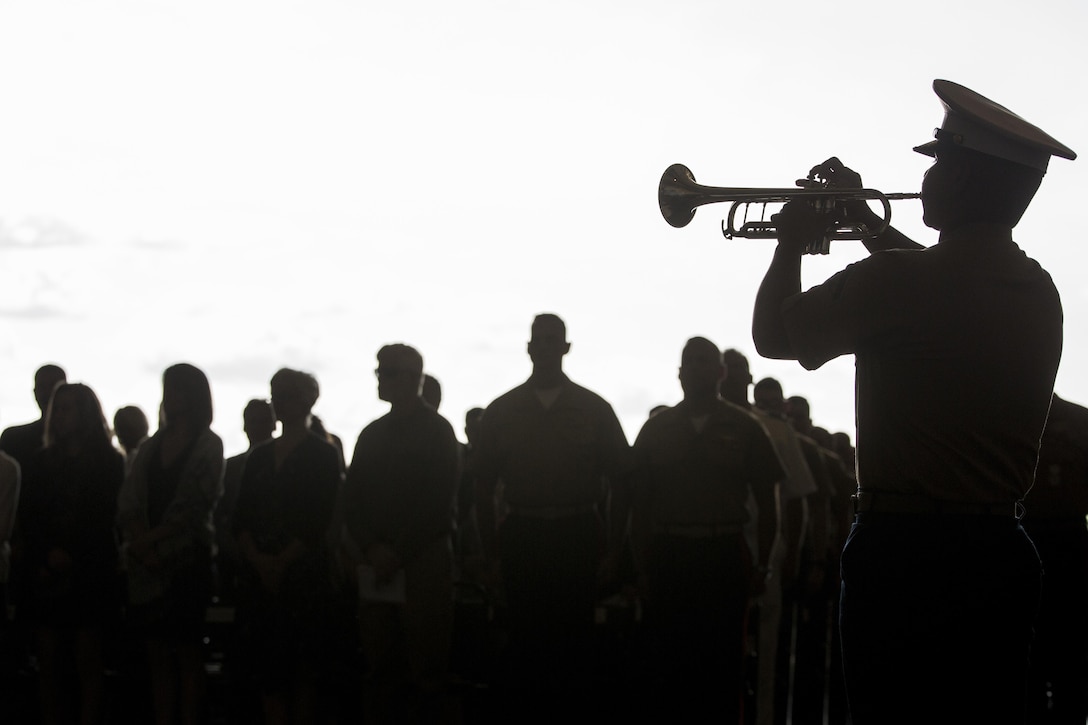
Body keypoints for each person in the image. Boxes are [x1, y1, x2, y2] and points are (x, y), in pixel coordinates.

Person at [751, 79, 1074, 725]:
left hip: (905, 555)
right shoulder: (1038, 289)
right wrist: (867, 222)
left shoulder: (903, 281)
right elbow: (942, 285)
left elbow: (772, 335)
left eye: (938, 163)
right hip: (1000, 553)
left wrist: (791, 235)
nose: (924, 178)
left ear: (967, 179)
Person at [474, 313, 630, 716]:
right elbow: (480, 489)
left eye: (551, 340)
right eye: (537, 340)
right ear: (528, 348)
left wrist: (613, 550)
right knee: (525, 642)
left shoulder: (594, 409)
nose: (543, 347)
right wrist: (491, 556)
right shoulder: (502, 410)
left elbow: (623, 484)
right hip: (523, 534)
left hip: (577, 534)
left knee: (574, 644)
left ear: (566, 347)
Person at [630, 337, 782, 724]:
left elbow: (769, 502)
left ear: (720, 373)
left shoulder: (746, 428)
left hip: (723, 556)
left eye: (705, 362)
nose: (696, 369)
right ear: (679, 373)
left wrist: (763, 565)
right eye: (689, 362)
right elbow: (637, 504)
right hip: (670, 555)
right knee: (666, 666)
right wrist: (641, 566)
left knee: (724, 668)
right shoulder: (656, 429)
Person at [343, 344, 460, 724]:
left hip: (420, 562)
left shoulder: (438, 432)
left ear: (413, 378)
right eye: (380, 371)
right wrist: (374, 548)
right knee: (380, 668)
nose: (380, 378)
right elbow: (353, 499)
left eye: (388, 372)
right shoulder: (371, 434)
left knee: (424, 670)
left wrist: (388, 552)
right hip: (386, 561)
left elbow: (438, 502)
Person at [117, 363, 224, 725]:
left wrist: (146, 543)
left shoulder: (209, 444)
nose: (170, 396)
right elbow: (129, 500)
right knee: (158, 657)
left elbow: (195, 506)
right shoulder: (150, 447)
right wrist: (143, 544)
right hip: (147, 564)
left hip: (185, 563)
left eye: (177, 388)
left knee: (188, 655)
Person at [233, 369, 342, 724]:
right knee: (269, 673)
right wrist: (262, 561)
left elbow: (319, 519)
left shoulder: (323, 455)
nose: (280, 401)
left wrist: (275, 562)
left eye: (288, 394)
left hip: (301, 577)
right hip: (268, 572)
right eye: (275, 394)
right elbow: (242, 517)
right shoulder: (260, 457)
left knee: (301, 670)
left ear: (309, 399)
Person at [19, 383, 124, 725]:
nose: (60, 416)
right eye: (57, 409)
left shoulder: (108, 462)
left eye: (67, 409)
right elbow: (29, 517)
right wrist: (45, 556)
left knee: (86, 660)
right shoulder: (41, 462)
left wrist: (66, 555)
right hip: (49, 569)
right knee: (49, 661)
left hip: (89, 571)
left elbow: (104, 517)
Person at [1022, 394, 1088, 725]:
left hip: (1042, 540)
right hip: (1060, 542)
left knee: (1039, 661)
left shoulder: (1012, 418)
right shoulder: (1080, 421)